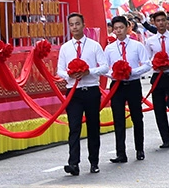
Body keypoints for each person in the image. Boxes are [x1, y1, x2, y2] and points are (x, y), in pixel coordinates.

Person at [56, 12, 106, 176]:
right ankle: (73, 163)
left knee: (93, 127)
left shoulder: (94, 46)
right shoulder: (65, 47)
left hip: (91, 90)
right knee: (74, 127)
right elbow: (59, 70)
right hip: (73, 92)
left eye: (77, 24)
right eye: (71, 24)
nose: (75, 27)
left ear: (83, 25)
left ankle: (94, 162)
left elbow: (104, 67)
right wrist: (68, 74)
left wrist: (88, 71)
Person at [104, 14, 151, 163]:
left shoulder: (137, 46)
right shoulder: (110, 48)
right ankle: (121, 153)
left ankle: (139, 149)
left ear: (127, 28)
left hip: (133, 84)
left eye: (121, 28)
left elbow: (146, 64)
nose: (118, 31)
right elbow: (105, 67)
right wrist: (114, 74)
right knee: (118, 119)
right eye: (116, 28)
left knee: (137, 117)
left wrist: (132, 72)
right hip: (117, 86)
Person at [142, 9, 169, 149]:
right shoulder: (150, 41)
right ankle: (166, 139)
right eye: (158, 21)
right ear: (154, 23)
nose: (161, 23)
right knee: (159, 108)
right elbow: (146, 60)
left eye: (163, 20)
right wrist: (154, 65)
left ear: (167, 22)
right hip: (157, 76)